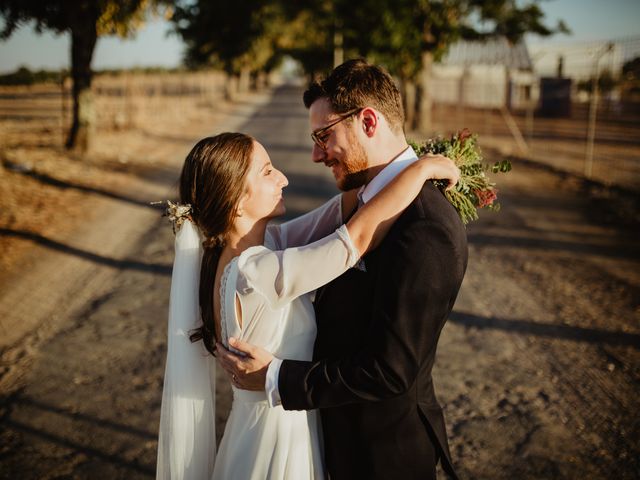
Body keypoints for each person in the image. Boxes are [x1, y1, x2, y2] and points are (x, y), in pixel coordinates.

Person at [156, 131, 460, 479]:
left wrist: (389, 166)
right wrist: (420, 170)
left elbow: (335, 212)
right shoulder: (257, 273)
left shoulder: (249, 251)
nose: (283, 178)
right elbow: (356, 238)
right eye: (268, 171)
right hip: (278, 442)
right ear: (236, 201)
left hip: (257, 428)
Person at [217, 59, 468, 480]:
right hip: (330, 441)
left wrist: (276, 376)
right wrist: (420, 167)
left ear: (368, 121)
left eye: (324, 136)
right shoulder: (359, 203)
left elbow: (391, 370)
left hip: (382, 456)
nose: (316, 154)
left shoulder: (425, 226)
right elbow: (346, 239)